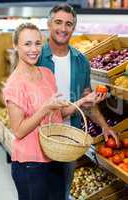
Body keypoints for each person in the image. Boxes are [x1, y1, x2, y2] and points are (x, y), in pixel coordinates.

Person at [2, 23, 105, 200]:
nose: (34, 49)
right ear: (16, 46)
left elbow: (59, 114)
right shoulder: (14, 85)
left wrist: (83, 101)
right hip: (31, 165)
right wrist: (44, 109)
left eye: (37, 43)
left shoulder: (47, 73)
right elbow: (19, 131)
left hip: (55, 157)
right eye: (27, 44)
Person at [37, 3, 119, 200]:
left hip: (69, 142)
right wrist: (83, 100)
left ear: (73, 28)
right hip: (39, 141)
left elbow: (88, 102)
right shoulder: (36, 57)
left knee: (63, 192)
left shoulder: (81, 60)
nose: (63, 29)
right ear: (49, 24)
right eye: (58, 22)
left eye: (68, 24)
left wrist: (105, 127)